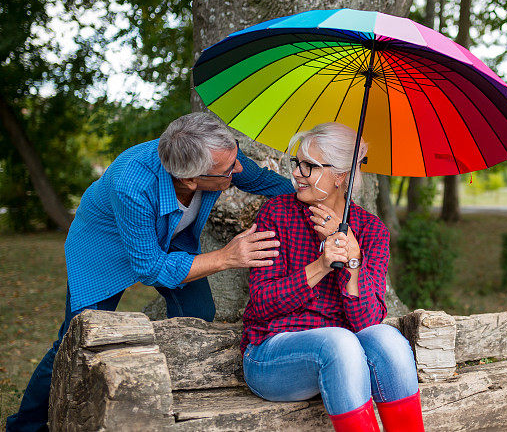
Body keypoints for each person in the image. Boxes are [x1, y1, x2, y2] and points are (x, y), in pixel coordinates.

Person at [7, 112, 294, 432]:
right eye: (229, 170)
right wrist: (226, 258)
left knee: (197, 316)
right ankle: (25, 426)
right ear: (190, 179)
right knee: (75, 341)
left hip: (171, 241)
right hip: (103, 249)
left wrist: (312, 201)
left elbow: (265, 182)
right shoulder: (132, 183)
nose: (238, 169)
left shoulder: (217, 156)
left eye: (236, 156)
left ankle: (168, 394)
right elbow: (150, 268)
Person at [241, 122, 424, 432]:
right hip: (272, 356)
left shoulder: (371, 231)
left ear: (341, 176)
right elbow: (260, 305)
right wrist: (321, 266)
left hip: (345, 357)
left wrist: (353, 259)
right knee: (339, 341)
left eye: (309, 166)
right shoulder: (276, 214)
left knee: (388, 340)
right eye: (296, 163)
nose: (297, 173)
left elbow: (367, 322)